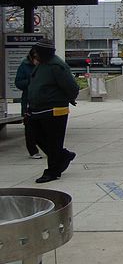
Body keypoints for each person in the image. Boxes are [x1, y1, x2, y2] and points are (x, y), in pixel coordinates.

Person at [26, 39, 80, 183]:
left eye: (37, 51)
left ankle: (53, 171)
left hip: (55, 110)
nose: (35, 54)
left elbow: (72, 87)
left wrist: (67, 98)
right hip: (37, 109)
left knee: (53, 141)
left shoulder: (56, 66)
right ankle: (63, 156)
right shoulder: (42, 65)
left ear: (44, 52)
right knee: (37, 136)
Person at [14, 49, 42, 159]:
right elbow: (18, 83)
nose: (37, 61)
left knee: (43, 127)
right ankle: (33, 150)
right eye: (35, 58)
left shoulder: (45, 66)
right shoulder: (24, 66)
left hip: (42, 100)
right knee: (29, 127)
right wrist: (31, 81)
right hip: (28, 100)